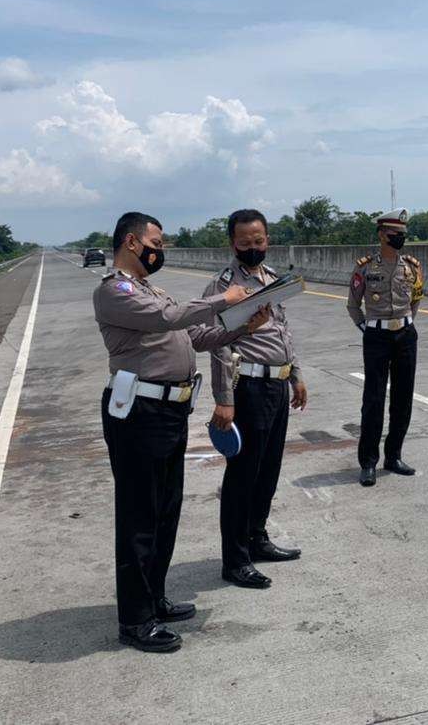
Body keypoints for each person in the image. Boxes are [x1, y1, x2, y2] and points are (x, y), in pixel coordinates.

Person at [93, 211, 265, 653]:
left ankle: (154, 598)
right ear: (132, 243)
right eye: (157, 241)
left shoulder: (152, 290)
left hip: (168, 412)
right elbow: (169, 318)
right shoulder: (116, 290)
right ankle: (135, 621)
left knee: (165, 512)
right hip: (138, 413)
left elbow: (194, 337)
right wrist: (225, 298)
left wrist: (244, 326)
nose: (161, 249)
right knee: (139, 518)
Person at [196, 209, 308, 589]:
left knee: (268, 470)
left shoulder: (273, 280)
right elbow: (216, 346)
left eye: (258, 241)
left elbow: (283, 332)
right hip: (248, 387)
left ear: (268, 240)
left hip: (276, 386)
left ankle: (257, 538)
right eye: (245, 242)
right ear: (232, 243)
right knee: (243, 475)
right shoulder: (223, 286)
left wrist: (296, 375)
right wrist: (224, 399)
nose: (253, 247)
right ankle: (235, 559)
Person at [346, 208, 424, 487]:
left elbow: (415, 299)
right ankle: (368, 462)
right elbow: (353, 305)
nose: (399, 239)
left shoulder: (412, 266)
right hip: (376, 338)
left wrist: (406, 323)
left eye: (402, 235)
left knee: (403, 400)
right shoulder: (365, 267)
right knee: (374, 401)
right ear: (381, 235)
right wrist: (366, 329)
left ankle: (394, 456)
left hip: (405, 335)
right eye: (394, 234)